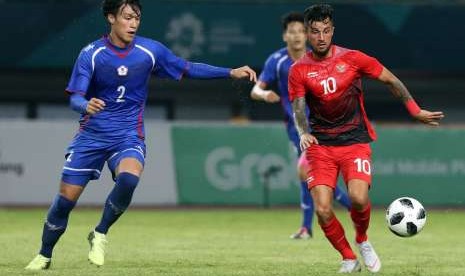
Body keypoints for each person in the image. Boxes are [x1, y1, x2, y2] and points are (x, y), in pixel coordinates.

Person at [25, 0, 256, 270]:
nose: (133, 23)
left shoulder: (150, 50)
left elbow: (187, 68)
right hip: (91, 137)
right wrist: (85, 104)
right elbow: (75, 96)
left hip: (128, 135)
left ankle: (99, 233)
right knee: (65, 202)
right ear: (111, 18)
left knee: (129, 179)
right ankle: (44, 254)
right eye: (127, 17)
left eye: (137, 17)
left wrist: (229, 72)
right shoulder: (92, 54)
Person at [289, 4, 444, 273]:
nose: (321, 37)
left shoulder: (353, 58)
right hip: (321, 146)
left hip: (354, 141)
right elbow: (299, 108)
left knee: (359, 199)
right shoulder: (299, 70)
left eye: (326, 31)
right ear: (308, 34)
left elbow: (391, 80)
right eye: (315, 32)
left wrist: (415, 110)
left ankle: (362, 240)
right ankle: (348, 257)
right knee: (323, 209)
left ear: (332, 30)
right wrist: (304, 132)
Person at [250, 12, 351, 240]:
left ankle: (324, 221)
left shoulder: (319, 57)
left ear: (306, 35)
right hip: (295, 127)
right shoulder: (276, 62)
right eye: (291, 31)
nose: (296, 36)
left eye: (300, 31)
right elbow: (255, 90)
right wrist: (265, 95)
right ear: (285, 36)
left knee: (308, 173)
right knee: (308, 175)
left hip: (323, 124)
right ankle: (313, 225)